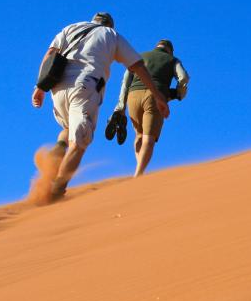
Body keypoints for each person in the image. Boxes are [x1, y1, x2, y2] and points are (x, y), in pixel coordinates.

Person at [32, 12, 169, 201]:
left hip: (58, 88)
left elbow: (50, 54)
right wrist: (157, 95)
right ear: (110, 25)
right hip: (85, 86)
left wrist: (39, 87)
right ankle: (56, 191)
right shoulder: (111, 35)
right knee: (79, 142)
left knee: (68, 128)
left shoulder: (71, 27)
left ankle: (58, 149)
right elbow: (137, 65)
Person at [109, 39, 189, 177]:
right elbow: (183, 78)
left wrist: (120, 106)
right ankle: (138, 175)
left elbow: (126, 80)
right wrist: (178, 94)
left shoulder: (139, 56)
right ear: (170, 50)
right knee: (149, 139)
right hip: (155, 97)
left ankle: (138, 169)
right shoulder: (172, 60)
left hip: (133, 97)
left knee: (139, 135)